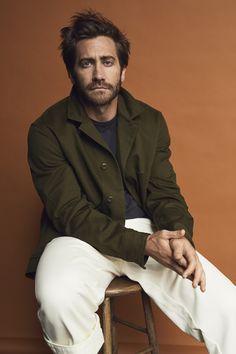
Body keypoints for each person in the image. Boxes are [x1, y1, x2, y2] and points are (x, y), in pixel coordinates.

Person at [25, 10, 235, 354]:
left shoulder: (150, 121)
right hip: (76, 238)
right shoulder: (46, 130)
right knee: (56, 298)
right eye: (86, 63)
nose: (97, 74)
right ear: (72, 71)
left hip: (147, 232)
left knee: (227, 307)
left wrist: (181, 236)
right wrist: (144, 245)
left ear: (123, 69)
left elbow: (164, 192)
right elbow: (70, 214)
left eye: (107, 62)